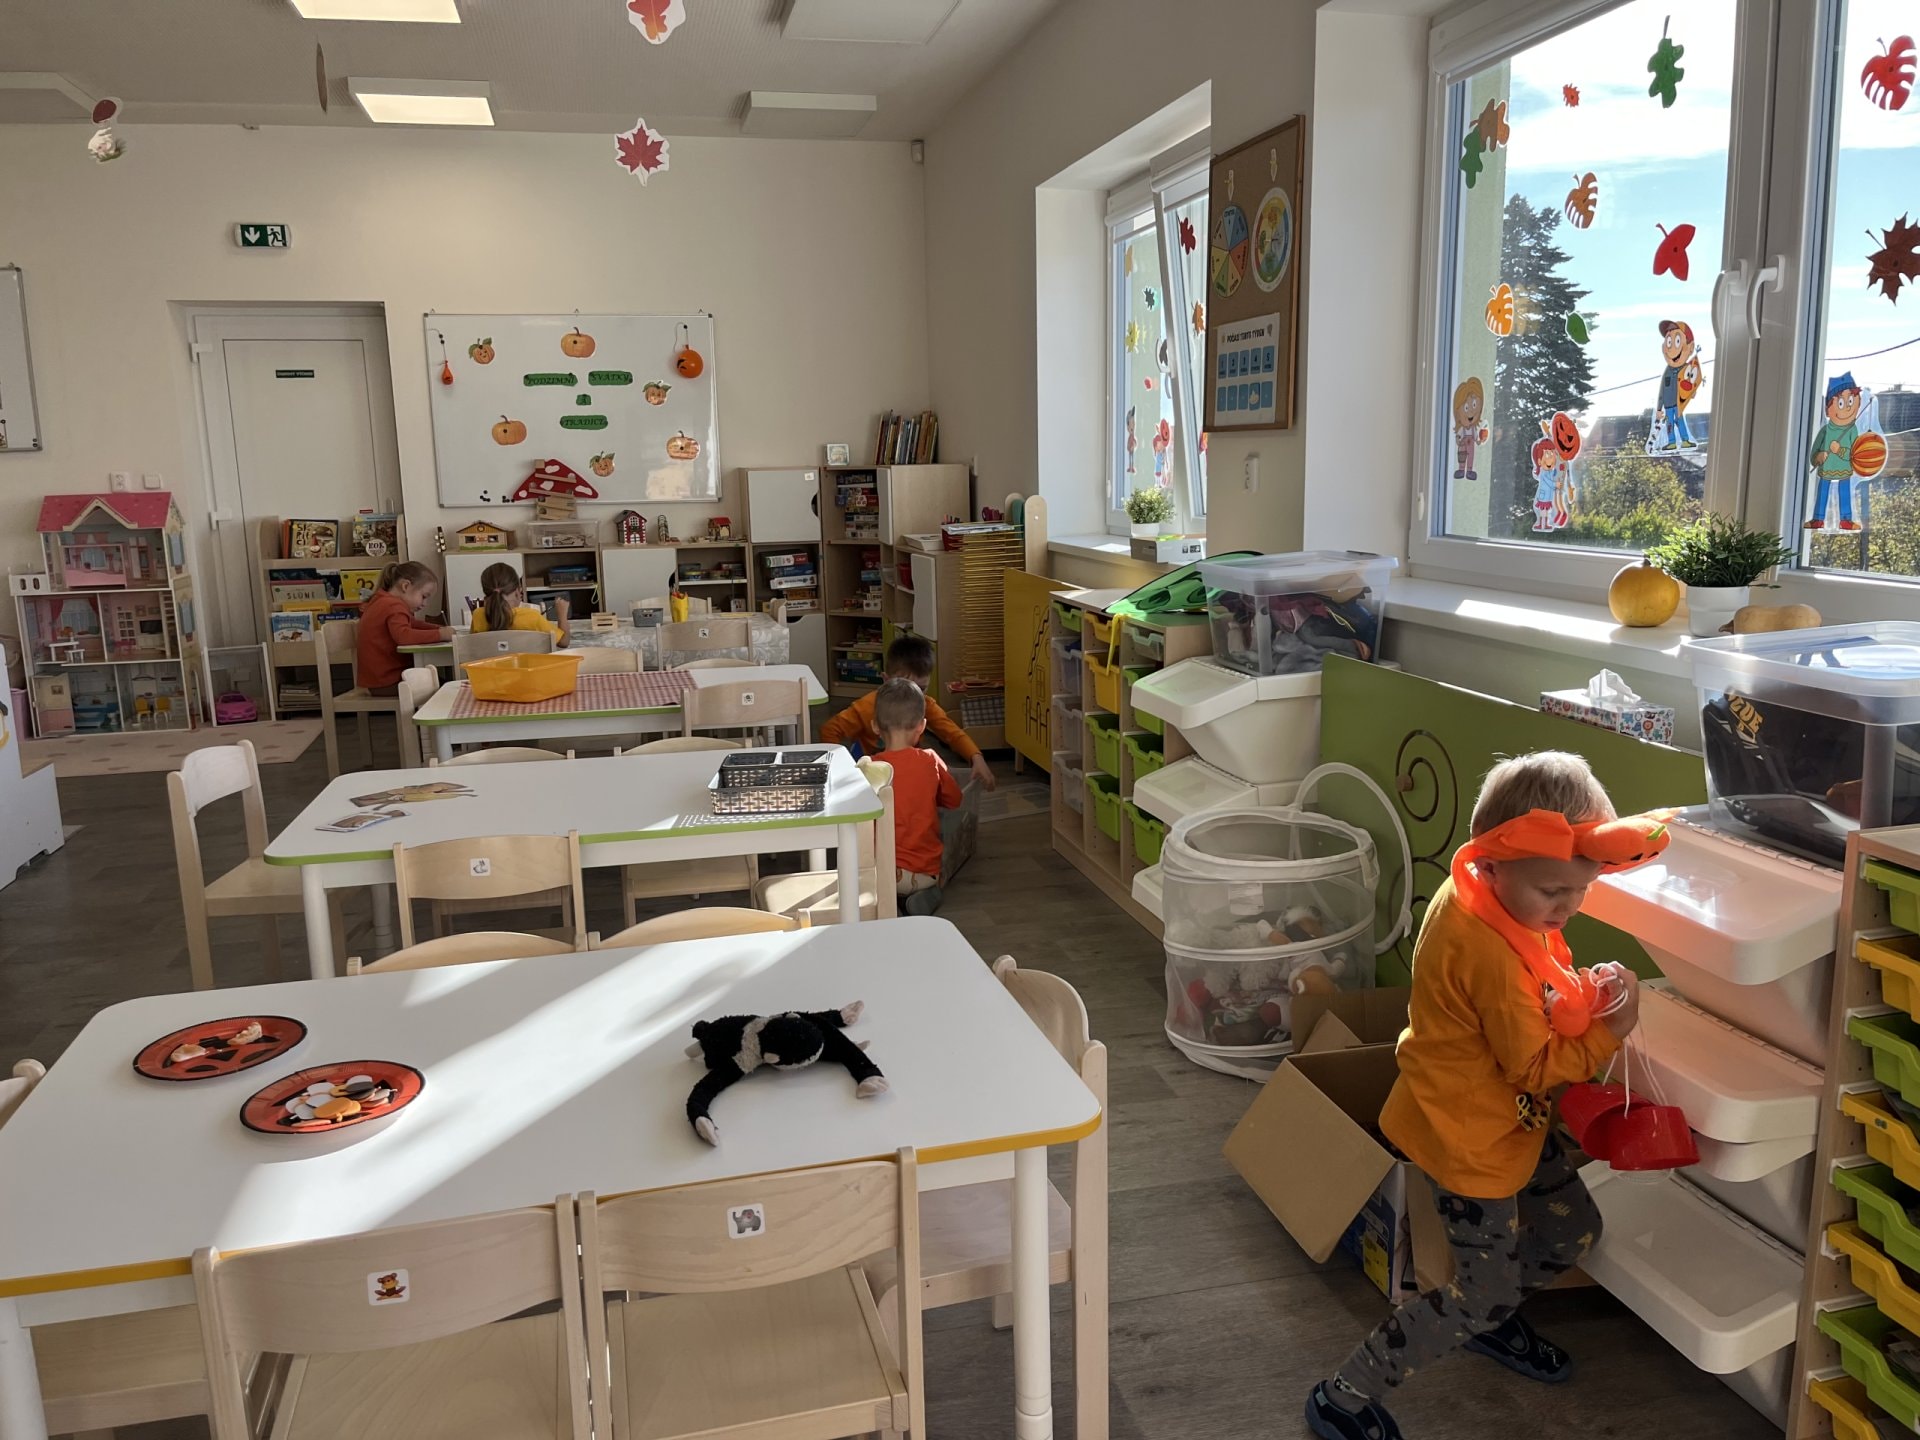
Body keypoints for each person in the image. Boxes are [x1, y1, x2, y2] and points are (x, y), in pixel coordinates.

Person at [1305, 752, 1672, 1440]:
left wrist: (1574, 992)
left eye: (1581, 889)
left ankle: (1489, 1315)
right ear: (1495, 863)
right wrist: (1608, 1031)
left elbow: (1533, 985)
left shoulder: (1477, 887)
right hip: (1470, 1139)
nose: (1568, 908)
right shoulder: (1490, 954)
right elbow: (1533, 1067)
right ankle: (1344, 1393)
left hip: (1505, 1121)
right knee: (1480, 1291)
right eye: (1554, 891)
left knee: (1572, 1231)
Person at [820, 634, 997, 791]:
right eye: (903, 686)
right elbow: (830, 730)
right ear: (885, 680)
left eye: (921, 688)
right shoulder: (867, 707)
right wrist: (840, 769)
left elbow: (952, 733)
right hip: (870, 771)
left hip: (906, 766)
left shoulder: (925, 704)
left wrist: (976, 758)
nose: (912, 696)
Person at [871, 678, 964, 916]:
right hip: (923, 873)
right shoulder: (930, 760)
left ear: (875, 726)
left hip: (880, 874)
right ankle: (925, 896)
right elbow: (955, 800)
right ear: (921, 726)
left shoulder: (869, 768)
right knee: (939, 876)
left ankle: (888, 902)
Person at [356, 560, 451, 696]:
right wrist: (441, 634)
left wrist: (439, 629)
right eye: (424, 596)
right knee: (445, 689)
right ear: (405, 586)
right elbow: (404, 636)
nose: (425, 604)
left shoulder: (383, 601)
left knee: (441, 684)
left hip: (380, 681)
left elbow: (413, 624)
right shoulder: (393, 606)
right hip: (387, 682)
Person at [1807, 371, 1863, 533]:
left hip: (1844, 469)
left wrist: (1841, 451)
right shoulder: (1825, 430)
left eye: (1851, 401)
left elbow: (1854, 454)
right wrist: (1818, 457)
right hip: (1826, 469)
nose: (1848, 407)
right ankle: (1818, 518)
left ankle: (1846, 520)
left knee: (1844, 493)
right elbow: (1815, 451)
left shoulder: (1852, 430)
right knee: (1822, 492)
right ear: (1828, 409)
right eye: (1841, 403)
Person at [470, 562, 569, 643]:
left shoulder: (478, 615)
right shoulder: (532, 617)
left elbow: (471, 646)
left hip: (490, 663)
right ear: (518, 591)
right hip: (527, 663)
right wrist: (562, 615)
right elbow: (564, 642)